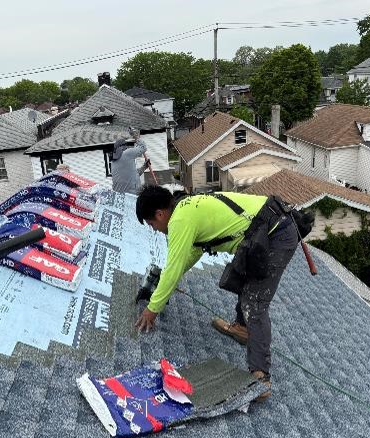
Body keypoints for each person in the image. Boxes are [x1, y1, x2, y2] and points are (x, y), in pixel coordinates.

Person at [134, 186, 300, 400]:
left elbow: (174, 267)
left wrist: (152, 309)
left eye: (152, 224)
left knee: (255, 302)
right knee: (244, 275)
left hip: (276, 233)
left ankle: (261, 378)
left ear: (159, 214)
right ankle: (242, 328)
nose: (155, 229)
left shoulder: (180, 219)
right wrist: (166, 286)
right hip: (266, 227)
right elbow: (189, 255)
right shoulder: (186, 207)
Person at [111, 127, 150, 195]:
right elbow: (143, 147)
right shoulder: (127, 153)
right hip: (132, 195)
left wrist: (144, 167)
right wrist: (136, 136)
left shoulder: (113, 161)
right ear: (124, 146)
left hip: (120, 196)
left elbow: (132, 175)